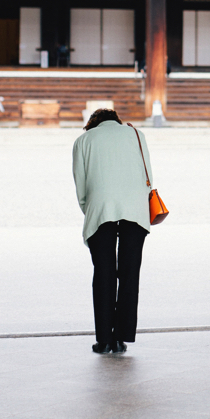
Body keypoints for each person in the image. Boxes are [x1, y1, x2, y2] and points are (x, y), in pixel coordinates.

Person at [73, 108, 154, 355]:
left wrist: (92, 210)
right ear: (117, 121)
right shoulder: (136, 135)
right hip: (135, 209)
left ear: (92, 124)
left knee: (104, 273)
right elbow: (148, 175)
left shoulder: (83, 141)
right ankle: (122, 338)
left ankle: (104, 339)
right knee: (130, 274)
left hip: (101, 209)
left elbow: (81, 185)